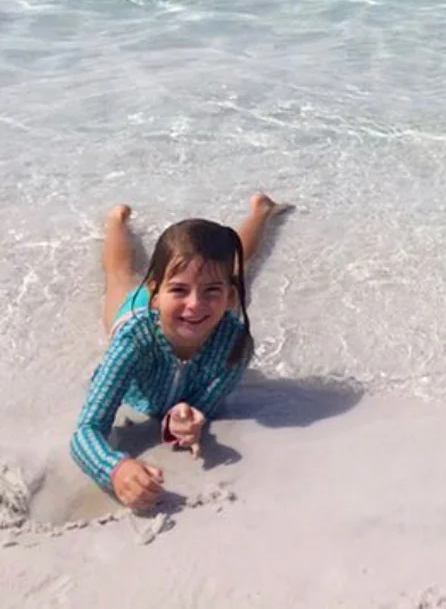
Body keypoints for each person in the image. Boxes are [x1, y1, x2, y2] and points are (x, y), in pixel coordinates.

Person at [70, 194, 288, 509]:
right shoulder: (132, 340)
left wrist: (189, 419)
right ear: (155, 294)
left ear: (229, 298)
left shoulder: (234, 343)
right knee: (119, 276)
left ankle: (261, 211)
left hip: (209, 310)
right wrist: (115, 470)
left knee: (237, 268)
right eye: (178, 290)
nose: (195, 305)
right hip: (133, 314)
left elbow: (204, 405)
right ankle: (116, 221)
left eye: (213, 291)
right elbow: (86, 430)